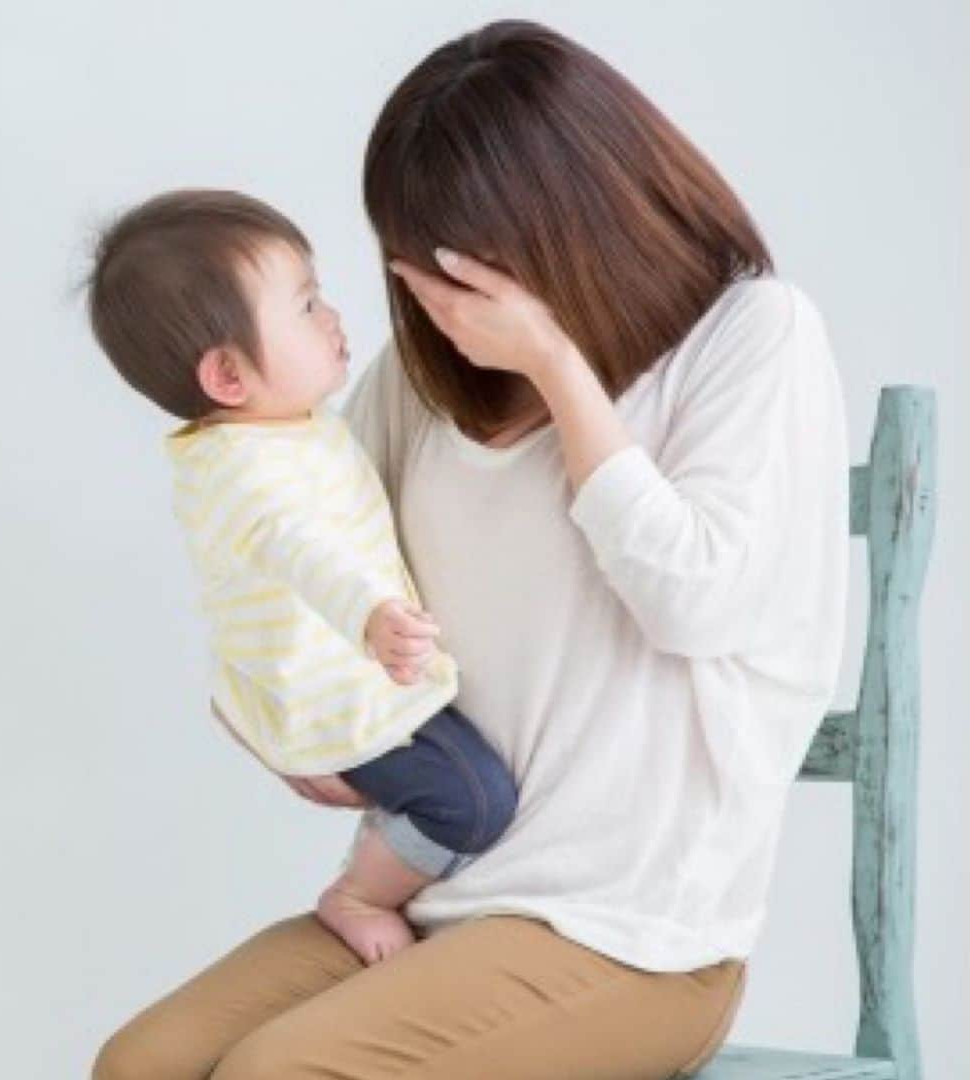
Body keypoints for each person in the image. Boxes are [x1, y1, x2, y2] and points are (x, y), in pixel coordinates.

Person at [91, 18, 848, 1080]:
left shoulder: (751, 338)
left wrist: (552, 363)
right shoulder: (416, 381)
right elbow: (295, 564)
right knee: (143, 1066)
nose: (424, 296)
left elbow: (697, 607)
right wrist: (282, 729)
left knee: (280, 1074)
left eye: (455, 258)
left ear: (566, 221)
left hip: (635, 936)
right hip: (441, 895)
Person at [84, 189, 519, 968]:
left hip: (351, 672)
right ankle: (360, 893)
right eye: (307, 306)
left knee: (461, 783)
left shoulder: (279, 433)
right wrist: (371, 616)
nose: (334, 316)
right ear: (226, 373)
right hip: (334, 690)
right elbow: (301, 552)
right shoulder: (246, 475)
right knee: (472, 801)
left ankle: (388, 866)